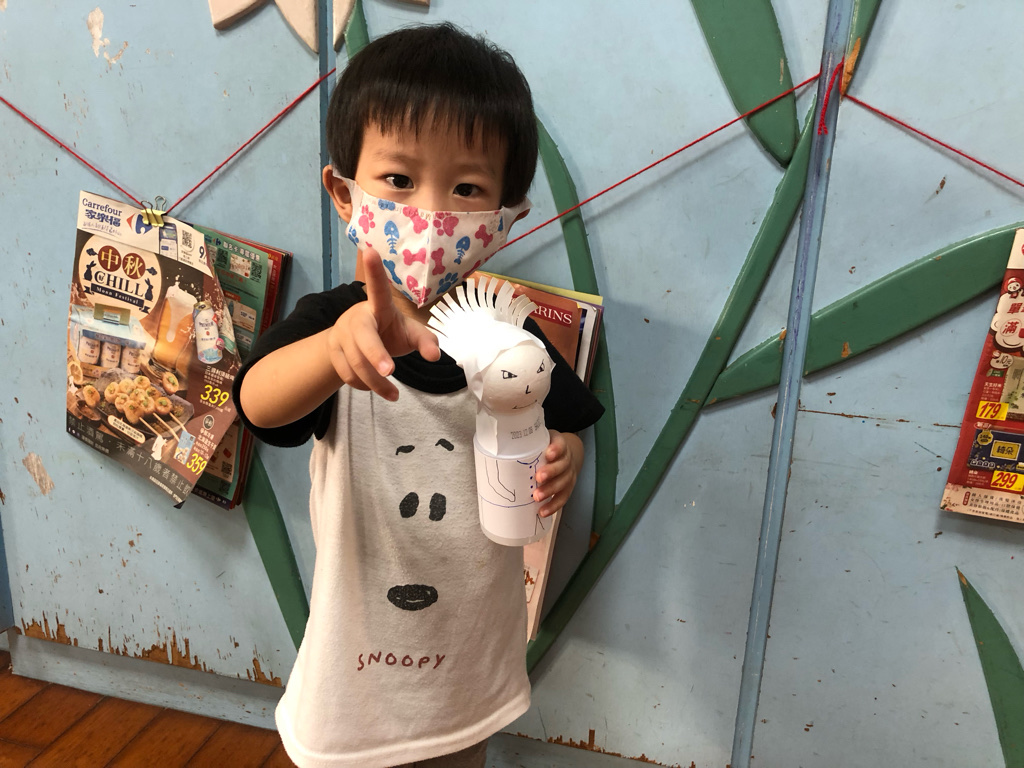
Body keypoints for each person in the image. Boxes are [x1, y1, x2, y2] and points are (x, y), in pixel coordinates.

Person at [234, 22, 604, 768]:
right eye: (399, 180)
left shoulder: (509, 329)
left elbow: (565, 421)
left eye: (466, 188)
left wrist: (563, 453)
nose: (432, 214)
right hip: (355, 679)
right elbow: (258, 403)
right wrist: (333, 353)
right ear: (345, 194)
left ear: (504, 217)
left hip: (471, 669)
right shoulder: (335, 324)